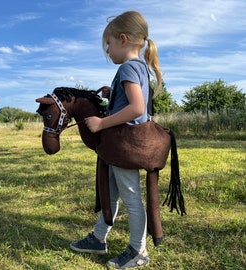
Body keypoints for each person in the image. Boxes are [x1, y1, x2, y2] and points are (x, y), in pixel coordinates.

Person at [70, 10, 162, 269]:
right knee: (111, 192)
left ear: (122, 39)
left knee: (130, 196)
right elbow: (134, 102)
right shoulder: (139, 68)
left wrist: (101, 123)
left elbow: (136, 108)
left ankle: (138, 250)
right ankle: (99, 238)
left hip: (124, 144)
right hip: (121, 145)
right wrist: (114, 93)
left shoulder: (128, 67)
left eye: (108, 45)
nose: (108, 51)